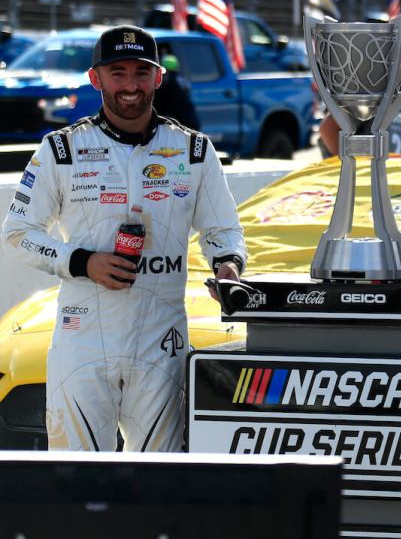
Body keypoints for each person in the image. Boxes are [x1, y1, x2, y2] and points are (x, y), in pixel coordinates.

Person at [1, 25, 247, 452]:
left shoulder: (194, 151)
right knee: (77, 476)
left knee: (161, 477)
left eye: (140, 72)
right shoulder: (61, 149)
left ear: (158, 78)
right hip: (82, 338)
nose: (130, 85)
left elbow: (222, 230)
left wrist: (227, 265)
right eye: (118, 73)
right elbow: (18, 234)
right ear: (96, 79)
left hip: (162, 339)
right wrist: (83, 262)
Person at [154, 53, 201, 131]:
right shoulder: (181, 79)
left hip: (181, 124)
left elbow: (166, 105)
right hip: (191, 121)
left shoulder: (168, 82)